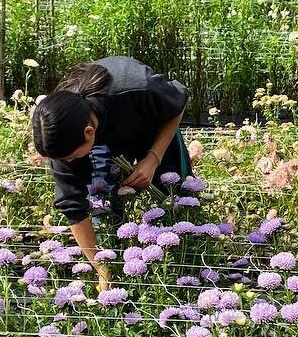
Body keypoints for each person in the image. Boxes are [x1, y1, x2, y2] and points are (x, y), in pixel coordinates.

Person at [31, 57, 191, 290]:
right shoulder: (62, 136)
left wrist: (153, 158)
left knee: (176, 193)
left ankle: (180, 269)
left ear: (88, 132)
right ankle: (121, 271)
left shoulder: (139, 88)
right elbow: (73, 206)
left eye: (72, 157)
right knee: (102, 205)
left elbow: (178, 104)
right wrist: (101, 267)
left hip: (151, 125)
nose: (68, 163)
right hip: (102, 138)